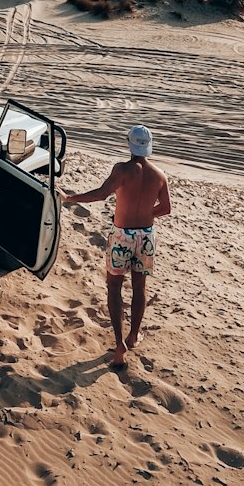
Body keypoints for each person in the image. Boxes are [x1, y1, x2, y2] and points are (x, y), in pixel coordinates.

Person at [61, 125, 170, 366]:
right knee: (140, 286)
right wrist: (145, 213)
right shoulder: (159, 175)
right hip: (146, 235)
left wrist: (70, 198)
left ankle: (119, 342)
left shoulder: (122, 169)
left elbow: (101, 194)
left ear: (129, 144)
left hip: (122, 235)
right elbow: (165, 208)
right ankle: (133, 336)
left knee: (114, 286)